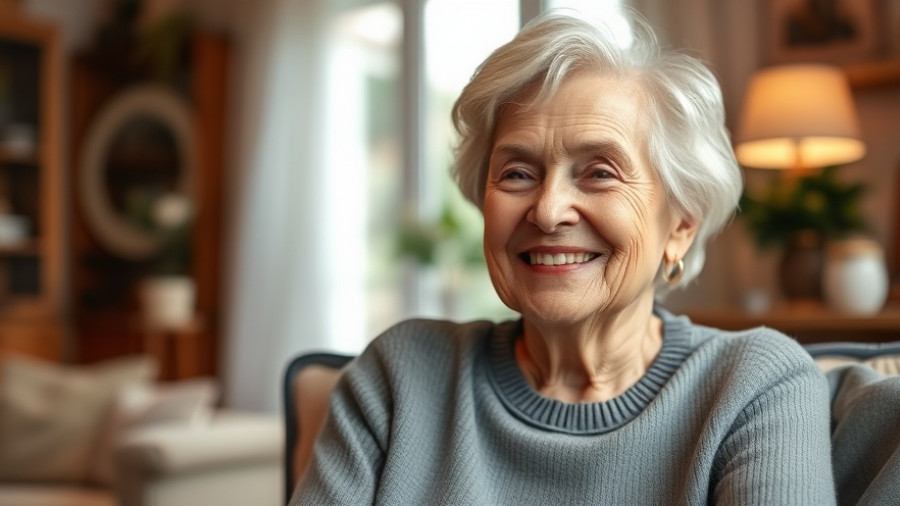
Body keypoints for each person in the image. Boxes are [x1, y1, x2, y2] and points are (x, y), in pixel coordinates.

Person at [291, 10, 835, 505]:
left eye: (599, 172)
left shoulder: (754, 387)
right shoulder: (400, 377)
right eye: (517, 174)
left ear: (682, 226)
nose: (547, 211)